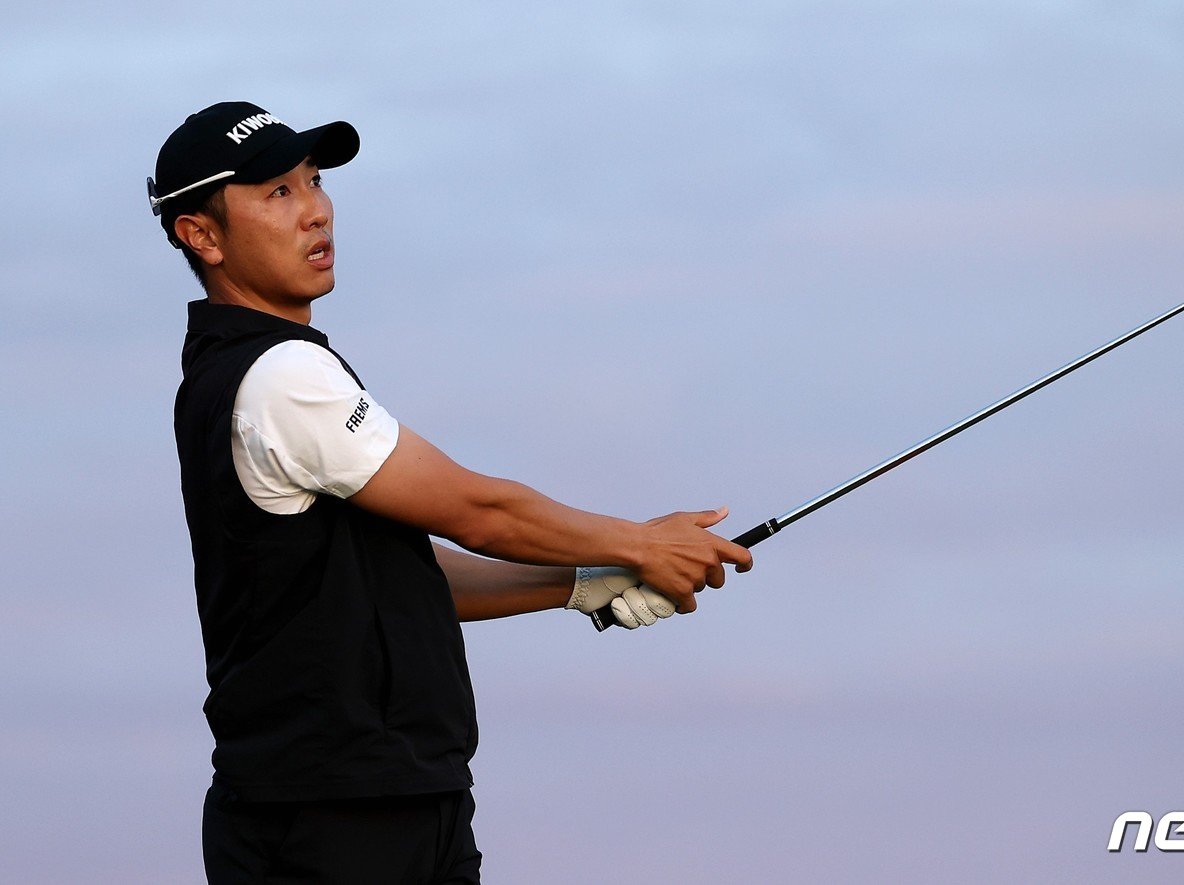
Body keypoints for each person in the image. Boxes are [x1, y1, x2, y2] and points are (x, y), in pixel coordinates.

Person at [151, 101, 753, 884]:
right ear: (200, 234)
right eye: (277, 193)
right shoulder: (277, 378)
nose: (317, 210)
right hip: (328, 816)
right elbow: (478, 510)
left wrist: (578, 583)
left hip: (398, 801)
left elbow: (395, 579)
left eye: (315, 180)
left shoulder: (271, 369)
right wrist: (641, 543)